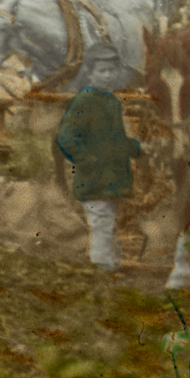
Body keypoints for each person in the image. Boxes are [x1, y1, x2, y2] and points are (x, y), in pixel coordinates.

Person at [54, 78, 144, 274]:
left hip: (111, 176)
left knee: (108, 220)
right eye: (101, 70)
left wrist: (132, 147)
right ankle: (101, 266)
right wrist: (86, 159)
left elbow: (113, 139)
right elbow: (65, 136)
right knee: (101, 220)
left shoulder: (111, 101)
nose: (107, 75)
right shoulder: (85, 99)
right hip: (94, 176)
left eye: (111, 71)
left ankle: (109, 264)